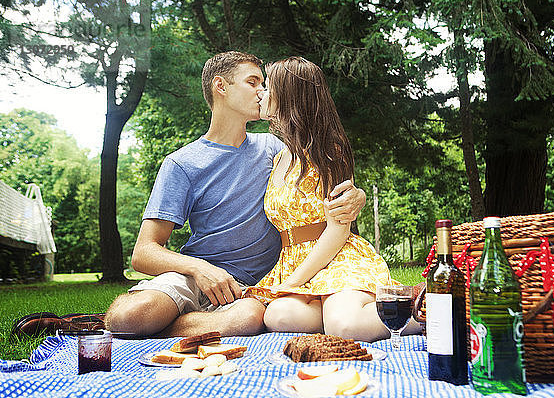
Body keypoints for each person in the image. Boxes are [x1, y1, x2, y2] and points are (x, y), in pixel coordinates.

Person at [104, 51, 366, 338]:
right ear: (221, 86)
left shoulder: (274, 149)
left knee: (248, 320)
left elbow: (320, 176)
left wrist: (356, 195)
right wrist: (200, 269)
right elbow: (143, 253)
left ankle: (166, 326)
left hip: (251, 289)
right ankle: (161, 321)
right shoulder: (182, 164)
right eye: (252, 82)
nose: (262, 92)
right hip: (196, 275)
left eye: (264, 85)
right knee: (129, 317)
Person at [242, 56, 396, 343]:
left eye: (269, 86)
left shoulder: (327, 149)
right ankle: (338, 311)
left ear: (289, 97)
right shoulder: (278, 157)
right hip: (297, 262)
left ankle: (429, 310)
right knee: (279, 316)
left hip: (336, 256)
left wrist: (292, 282)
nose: (261, 92)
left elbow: (338, 230)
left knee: (346, 327)